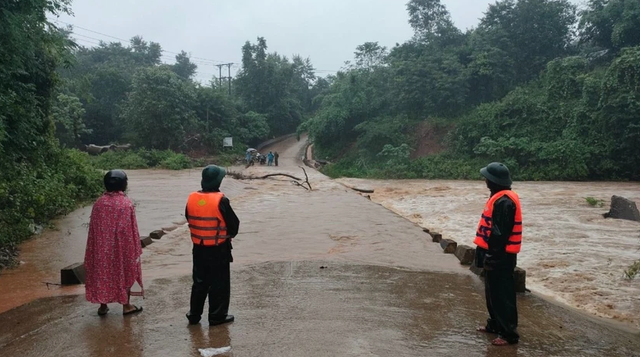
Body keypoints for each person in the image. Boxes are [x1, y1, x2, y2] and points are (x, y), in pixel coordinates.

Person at [474, 162, 522, 346]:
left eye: (487, 178)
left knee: (503, 294)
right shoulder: (499, 197)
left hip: (500, 255)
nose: (485, 180)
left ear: (493, 181)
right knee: (492, 292)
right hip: (493, 253)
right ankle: (494, 324)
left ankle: (509, 333)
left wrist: (492, 257)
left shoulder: (504, 202)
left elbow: (499, 234)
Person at [185, 165, 240, 326]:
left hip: (198, 247)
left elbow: (189, 217)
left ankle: (194, 315)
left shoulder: (191, 198)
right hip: (218, 248)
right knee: (219, 283)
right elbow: (234, 225)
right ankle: (217, 316)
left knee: (199, 282)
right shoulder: (221, 200)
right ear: (218, 181)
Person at [84, 170, 144, 316]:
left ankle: (103, 306)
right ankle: (126, 305)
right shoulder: (126, 204)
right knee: (125, 271)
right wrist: (135, 249)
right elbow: (131, 230)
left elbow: (93, 230)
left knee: (101, 272)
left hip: (100, 248)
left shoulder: (99, 203)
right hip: (122, 247)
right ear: (123, 184)